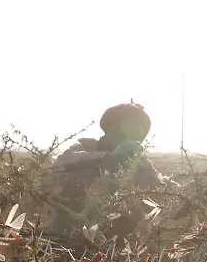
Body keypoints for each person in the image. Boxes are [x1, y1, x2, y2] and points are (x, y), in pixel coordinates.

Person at [44, 101, 163, 241]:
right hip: (67, 234)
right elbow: (62, 162)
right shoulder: (88, 146)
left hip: (112, 242)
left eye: (141, 128)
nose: (138, 131)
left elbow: (159, 189)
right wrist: (106, 159)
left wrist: (182, 194)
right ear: (112, 126)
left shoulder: (139, 163)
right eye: (131, 125)